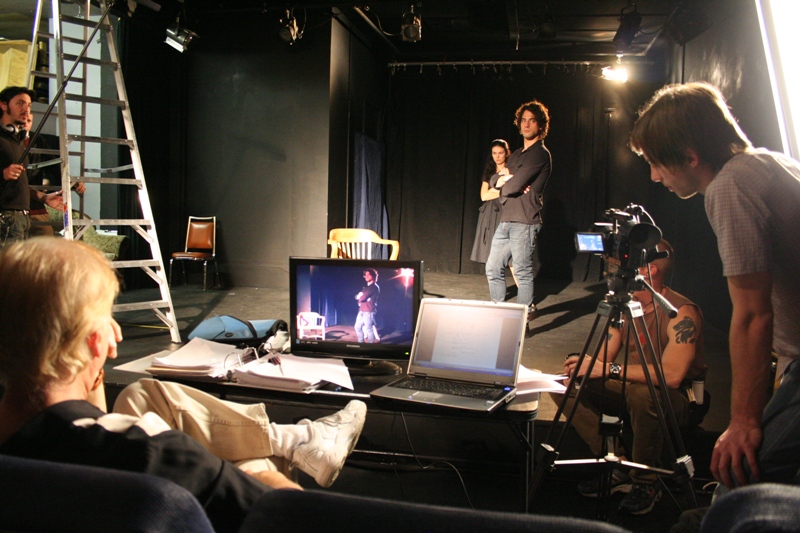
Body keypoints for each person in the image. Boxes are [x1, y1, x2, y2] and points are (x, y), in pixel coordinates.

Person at [0, 238, 368, 533]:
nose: (117, 332)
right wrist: (258, 475)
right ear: (97, 342)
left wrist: (89, 370)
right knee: (257, 459)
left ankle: (295, 439)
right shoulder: (156, 456)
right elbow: (295, 516)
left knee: (143, 394)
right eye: (107, 317)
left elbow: (82, 423)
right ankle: (292, 444)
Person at [629, 82, 800, 526]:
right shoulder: (768, 163)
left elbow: (753, 314)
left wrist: (743, 421)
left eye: (656, 163)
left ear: (690, 157)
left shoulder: (730, 187)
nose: (655, 177)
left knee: (740, 481)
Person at [555, 239, 706, 515]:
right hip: (633, 387)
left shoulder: (680, 312)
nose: (612, 270)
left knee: (642, 394)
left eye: (622, 264)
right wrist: (586, 369)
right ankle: (619, 463)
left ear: (649, 270)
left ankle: (646, 481)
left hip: (676, 399)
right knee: (562, 384)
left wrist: (609, 370)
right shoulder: (625, 305)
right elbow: (603, 360)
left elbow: (672, 376)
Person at [485, 100, 552, 320]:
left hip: (525, 221)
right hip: (506, 220)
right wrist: (505, 180)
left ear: (540, 125)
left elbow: (511, 187)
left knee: (522, 272)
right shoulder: (515, 156)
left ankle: (522, 322)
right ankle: (499, 315)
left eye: (532, 120)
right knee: (493, 268)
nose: (526, 124)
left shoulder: (540, 154)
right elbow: (494, 180)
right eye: (523, 120)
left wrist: (507, 183)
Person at [0, 86, 64, 245]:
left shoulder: (17, 141)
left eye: (28, 105)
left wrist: (44, 197)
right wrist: (3, 173)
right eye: (20, 103)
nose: (26, 109)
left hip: (20, 217)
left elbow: (18, 184)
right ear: (3, 105)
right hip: (5, 216)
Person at [23, 113, 86, 237]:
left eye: (28, 120)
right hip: (9, 207)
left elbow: (54, 166)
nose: (25, 123)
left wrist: (72, 182)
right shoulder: (6, 141)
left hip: (34, 206)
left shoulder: (37, 140)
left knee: (45, 240)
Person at [471, 139, 511, 263]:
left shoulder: (510, 170)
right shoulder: (489, 172)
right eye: (494, 153)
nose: (497, 156)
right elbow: (484, 196)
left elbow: (511, 191)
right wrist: (501, 191)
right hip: (489, 212)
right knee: (489, 252)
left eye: (500, 153)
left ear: (506, 153)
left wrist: (494, 191)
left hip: (505, 211)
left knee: (508, 254)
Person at [354, 268, 380, 343]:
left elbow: (362, 298)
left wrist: (360, 296)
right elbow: (356, 297)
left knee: (369, 329)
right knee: (357, 327)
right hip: (362, 310)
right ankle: (361, 343)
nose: (366, 276)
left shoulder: (374, 287)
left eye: (368, 275)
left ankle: (370, 345)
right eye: (365, 275)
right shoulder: (366, 288)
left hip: (369, 311)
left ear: (373, 276)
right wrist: (359, 297)